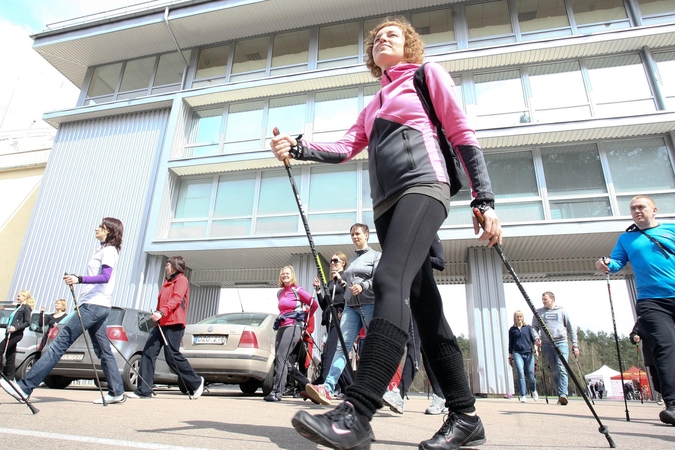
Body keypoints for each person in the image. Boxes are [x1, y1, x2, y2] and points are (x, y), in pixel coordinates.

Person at [270, 17, 501, 450]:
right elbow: (344, 148)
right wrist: (298, 147)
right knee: (424, 306)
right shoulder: (374, 103)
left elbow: (461, 132)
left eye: (391, 35)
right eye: (376, 38)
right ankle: (466, 416)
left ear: (409, 44)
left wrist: (483, 199)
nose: (381, 40)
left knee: (388, 281)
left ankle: (357, 411)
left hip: (424, 185)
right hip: (387, 205)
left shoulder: (425, 75)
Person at [1, 217, 126, 405]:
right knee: (103, 350)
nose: (96, 228)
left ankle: (25, 387)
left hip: (93, 305)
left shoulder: (109, 251)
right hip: (95, 305)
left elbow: (105, 277)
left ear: (109, 230)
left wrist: (79, 279)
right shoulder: (102, 249)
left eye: (100, 227)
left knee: (60, 343)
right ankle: (117, 391)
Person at [595, 195, 675, 425]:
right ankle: (672, 403)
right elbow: (616, 263)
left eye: (641, 207)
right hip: (652, 302)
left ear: (655, 210)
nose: (636, 211)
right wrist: (605, 264)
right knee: (665, 347)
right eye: (632, 208)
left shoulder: (671, 229)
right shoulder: (626, 238)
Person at [304, 223, 381, 406]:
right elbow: (348, 283)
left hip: (369, 304)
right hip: (350, 307)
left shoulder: (376, 256)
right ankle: (329, 387)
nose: (355, 237)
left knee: (372, 347)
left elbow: (378, 277)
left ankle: (379, 387)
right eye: (352, 234)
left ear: (367, 235)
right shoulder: (353, 260)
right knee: (341, 347)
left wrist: (363, 286)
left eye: (358, 234)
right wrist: (344, 281)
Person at [127, 256, 204, 400]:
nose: (165, 267)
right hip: (161, 324)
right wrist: (157, 315)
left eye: (168, 264)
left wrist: (162, 312)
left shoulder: (181, 280)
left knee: (171, 357)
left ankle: (197, 382)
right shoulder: (167, 282)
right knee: (148, 353)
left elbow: (176, 299)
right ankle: (144, 390)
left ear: (175, 266)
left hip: (174, 324)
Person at [265, 265, 318, 402]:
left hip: (294, 326)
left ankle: (277, 392)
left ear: (292, 275)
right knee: (279, 358)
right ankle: (305, 383)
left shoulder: (297, 290)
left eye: (287, 273)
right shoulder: (280, 293)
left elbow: (314, 304)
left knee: (282, 357)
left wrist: (305, 320)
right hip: (282, 326)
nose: (285, 275)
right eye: (283, 273)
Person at [312, 252, 353, 393]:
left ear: (343, 262)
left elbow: (350, 294)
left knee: (331, 351)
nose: (333, 263)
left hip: (341, 316)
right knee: (334, 352)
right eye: (331, 261)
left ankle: (324, 382)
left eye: (336, 260)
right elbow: (325, 305)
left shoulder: (346, 277)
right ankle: (349, 387)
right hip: (331, 318)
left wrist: (341, 280)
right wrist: (318, 291)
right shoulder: (330, 283)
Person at [532, 291, 579, 406]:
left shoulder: (562, 311)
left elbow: (571, 329)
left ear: (552, 299)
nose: (543, 301)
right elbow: (534, 327)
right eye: (542, 300)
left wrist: (575, 344)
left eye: (546, 299)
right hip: (547, 344)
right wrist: (536, 338)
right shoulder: (539, 312)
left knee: (561, 367)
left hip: (561, 342)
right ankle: (560, 393)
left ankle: (563, 394)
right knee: (553, 370)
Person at [1, 290, 34, 380]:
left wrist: (15, 328)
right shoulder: (18, 307)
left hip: (16, 334)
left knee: (1, 349)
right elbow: (11, 323)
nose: (17, 297)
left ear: (25, 297)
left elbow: (28, 322)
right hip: (9, 333)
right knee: (10, 354)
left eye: (19, 296)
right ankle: (10, 377)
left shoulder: (26, 307)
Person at [508, 310, 539, 403]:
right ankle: (523, 395)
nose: (519, 318)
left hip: (528, 353)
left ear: (523, 317)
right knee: (520, 372)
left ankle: (533, 390)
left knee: (530, 375)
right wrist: (510, 355)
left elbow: (533, 340)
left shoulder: (528, 328)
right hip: (517, 353)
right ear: (515, 318)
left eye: (520, 317)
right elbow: (511, 343)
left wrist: (536, 349)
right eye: (517, 317)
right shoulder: (512, 330)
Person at [630, 320, 662, 404]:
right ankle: (660, 392)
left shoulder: (665, 316)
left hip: (667, 353)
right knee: (656, 379)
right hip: (651, 356)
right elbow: (633, 334)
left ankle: (669, 401)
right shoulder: (641, 322)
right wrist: (634, 337)